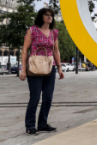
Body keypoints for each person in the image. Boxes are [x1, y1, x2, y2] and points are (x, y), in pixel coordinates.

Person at [20, 8, 64, 136]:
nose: (49, 17)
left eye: (51, 15)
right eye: (47, 15)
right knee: (34, 97)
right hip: (34, 66)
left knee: (48, 98)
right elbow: (24, 50)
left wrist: (60, 68)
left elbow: (56, 51)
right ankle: (30, 126)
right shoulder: (32, 30)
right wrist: (23, 69)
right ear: (41, 16)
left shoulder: (54, 32)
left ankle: (42, 124)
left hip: (50, 66)